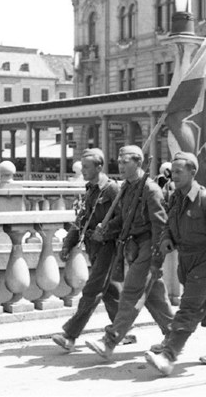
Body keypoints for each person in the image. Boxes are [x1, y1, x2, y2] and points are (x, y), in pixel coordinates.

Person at [144, 152, 206, 376]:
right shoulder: (177, 198)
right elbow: (169, 225)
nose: (175, 175)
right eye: (174, 171)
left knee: (189, 308)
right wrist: (167, 239)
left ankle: (169, 355)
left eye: (180, 172)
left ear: (193, 172)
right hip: (186, 261)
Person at [85, 145, 175, 360]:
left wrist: (156, 259)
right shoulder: (127, 187)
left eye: (125, 161)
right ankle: (174, 335)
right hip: (133, 246)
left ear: (139, 163)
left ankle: (110, 340)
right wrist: (106, 229)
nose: (120, 165)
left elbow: (160, 228)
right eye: (119, 161)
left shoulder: (150, 190)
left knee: (131, 292)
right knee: (154, 297)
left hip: (148, 245)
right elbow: (123, 219)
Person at [51, 148, 127, 351]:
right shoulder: (90, 189)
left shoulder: (111, 189)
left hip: (109, 246)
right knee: (110, 291)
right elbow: (82, 219)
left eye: (86, 166)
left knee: (92, 290)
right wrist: (68, 243)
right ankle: (122, 330)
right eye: (82, 166)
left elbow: (124, 218)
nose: (82, 170)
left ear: (99, 167)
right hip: (93, 246)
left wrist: (107, 229)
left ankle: (70, 335)